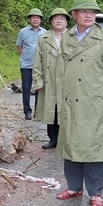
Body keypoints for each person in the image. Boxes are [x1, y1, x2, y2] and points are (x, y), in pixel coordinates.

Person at [55, 0, 103, 206]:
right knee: (71, 145)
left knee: (93, 149)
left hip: (94, 103)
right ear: (74, 14)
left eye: (92, 11)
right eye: (84, 11)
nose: (89, 14)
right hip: (71, 101)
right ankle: (73, 187)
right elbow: (61, 70)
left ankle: (96, 192)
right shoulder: (67, 37)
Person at [31, 8, 69, 149]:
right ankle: (53, 139)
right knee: (52, 108)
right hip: (49, 80)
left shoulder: (73, 38)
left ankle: (65, 140)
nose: (59, 20)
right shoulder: (43, 39)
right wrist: (38, 81)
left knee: (66, 109)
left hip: (67, 81)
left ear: (66, 21)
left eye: (62, 18)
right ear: (51, 21)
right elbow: (37, 62)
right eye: (56, 18)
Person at [16, 8, 46, 120]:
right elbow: (19, 46)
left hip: (40, 66)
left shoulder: (45, 33)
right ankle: (27, 112)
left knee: (40, 88)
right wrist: (24, 56)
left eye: (38, 18)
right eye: (33, 17)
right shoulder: (23, 32)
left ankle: (38, 111)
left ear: (40, 20)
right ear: (29, 19)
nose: (35, 19)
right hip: (26, 65)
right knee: (26, 88)